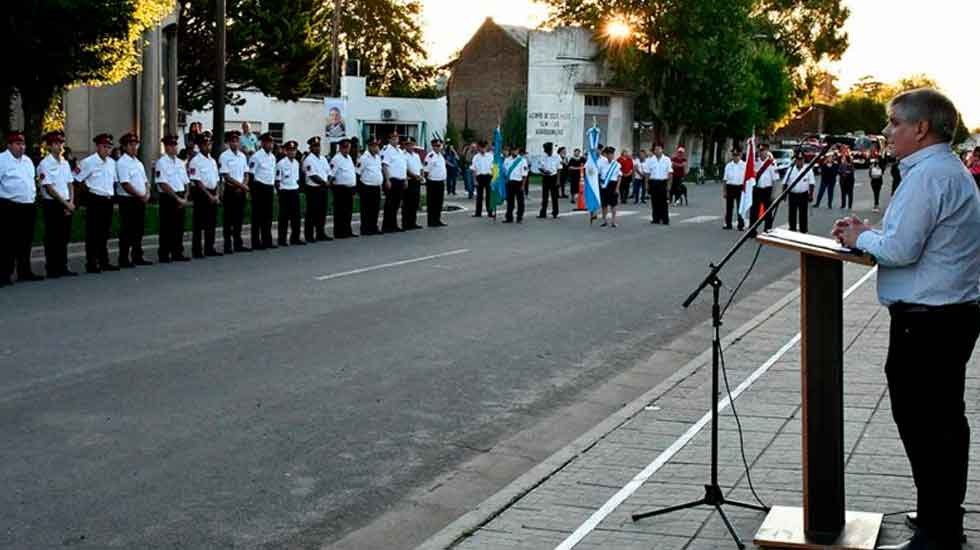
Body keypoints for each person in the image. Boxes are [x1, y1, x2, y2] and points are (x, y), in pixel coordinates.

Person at [833, 88, 980, 550]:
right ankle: (939, 516)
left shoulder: (929, 175)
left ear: (921, 128)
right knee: (938, 422)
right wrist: (869, 234)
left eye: (895, 123)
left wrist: (862, 238)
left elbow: (900, 250)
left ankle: (939, 532)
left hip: (932, 321)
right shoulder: (937, 171)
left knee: (929, 424)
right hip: (942, 317)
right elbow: (910, 238)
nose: (887, 132)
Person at [0, 131, 41, 285]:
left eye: (23, 144)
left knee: (25, 241)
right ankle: (4, 273)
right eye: (17, 144)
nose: (21, 147)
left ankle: (25, 271)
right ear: (9, 145)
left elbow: (30, 181)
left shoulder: (27, 161)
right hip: (9, 206)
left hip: (28, 206)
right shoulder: (2, 160)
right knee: (7, 242)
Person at [75, 133, 119, 273]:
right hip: (95, 199)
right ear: (98, 146)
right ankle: (92, 262)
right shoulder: (88, 162)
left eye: (109, 147)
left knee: (105, 232)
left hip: (108, 199)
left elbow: (113, 182)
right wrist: (86, 193)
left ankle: (104, 261)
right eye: (105, 146)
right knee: (93, 232)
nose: (107, 150)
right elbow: (77, 179)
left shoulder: (112, 163)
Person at [38, 131, 77, 278]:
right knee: (52, 237)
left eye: (61, 143)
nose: (59, 146)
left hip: (66, 203)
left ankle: (62, 266)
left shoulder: (65, 162)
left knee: (63, 237)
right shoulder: (45, 164)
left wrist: (71, 202)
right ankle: (52, 267)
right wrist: (65, 204)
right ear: (49, 146)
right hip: (53, 203)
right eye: (55, 143)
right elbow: (49, 188)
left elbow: (70, 184)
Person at [115, 133, 152, 267]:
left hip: (139, 200)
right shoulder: (122, 163)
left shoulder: (138, 163)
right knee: (127, 230)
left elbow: (146, 181)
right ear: (124, 147)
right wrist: (140, 195)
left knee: (138, 229)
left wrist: (147, 193)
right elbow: (125, 184)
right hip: (128, 200)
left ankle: (137, 256)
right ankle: (124, 258)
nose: (134, 147)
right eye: (130, 145)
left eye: (135, 144)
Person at [155, 135, 191, 263]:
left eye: (175, 144)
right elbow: (162, 183)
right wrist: (177, 198)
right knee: (167, 227)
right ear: (166, 147)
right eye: (172, 145)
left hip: (180, 196)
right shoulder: (161, 162)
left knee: (178, 226)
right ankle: (164, 253)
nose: (175, 147)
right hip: (169, 197)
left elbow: (186, 182)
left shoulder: (181, 162)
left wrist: (185, 197)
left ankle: (177, 252)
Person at [188, 133, 221, 257]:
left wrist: (216, 194)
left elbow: (216, 179)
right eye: (206, 145)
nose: (208, 147)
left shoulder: (212, 161)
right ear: (200, 146)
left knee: (211, 223)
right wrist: (209, 195)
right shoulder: (195, 161)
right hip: (202, 194)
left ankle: (209, 247)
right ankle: (197, 250)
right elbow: (197, 181)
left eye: (209, 144)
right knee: (199, 224)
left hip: (212, 192)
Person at [219, 130, 251, 253]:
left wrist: (244, 185)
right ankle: (227, 245)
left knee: (239, 218)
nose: (235, 143)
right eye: (233, 141)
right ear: (228, 142)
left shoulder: (242, 156)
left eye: (237, 141)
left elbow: (246, 173)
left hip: (240, 190)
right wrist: (241, 186)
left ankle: (238, 244)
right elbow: (226, 176)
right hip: (230, 190)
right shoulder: (224, 156)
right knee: (228, 219)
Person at [248, 133, 277, 249]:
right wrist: (251, 192)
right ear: (263, 143)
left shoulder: (272, 157)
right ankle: (256, 242)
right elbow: (251, 174)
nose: (271, 145)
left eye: (272, 143)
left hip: (269, 187)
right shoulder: (256, 156)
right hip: (259, 188)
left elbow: (272, 173)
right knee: (257, 217)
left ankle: (267, 240)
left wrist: (273, 187)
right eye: (269, 143)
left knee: (268, 216)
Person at [303, 136, 332, 242]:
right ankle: (309, 235)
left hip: (323, 189)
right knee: (311, 213)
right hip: (313, 189)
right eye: (315, 146)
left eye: (318, 146)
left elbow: (328, 172)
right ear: (310, 147)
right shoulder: (308, 160)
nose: (317, 148)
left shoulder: (323, 159)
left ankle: (320, 233)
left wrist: (328, 180)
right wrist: (325, 183)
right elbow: (312, 175)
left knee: (322, 212)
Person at [275, 140, 304, 246]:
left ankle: (295, 238)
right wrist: (280, 193)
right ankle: (282, 239)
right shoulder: (281, 163)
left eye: (294, 150)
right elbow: (277, 181)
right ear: (286, 151)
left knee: (296, 217)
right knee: (284, 217)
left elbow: (296, 179)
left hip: (294, 191)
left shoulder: (296, 163)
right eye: (290, 150)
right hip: (284, 192)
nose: (292, 152)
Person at [330, 138, 358, 238]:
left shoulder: (348, 157)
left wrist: (353, 187)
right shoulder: (336, 159)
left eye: (348, 147)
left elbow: (351, 173)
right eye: (345, 147)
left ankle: (347, 230)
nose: (347, 149)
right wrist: (332, 188)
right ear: (340, 148)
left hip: (349, 188)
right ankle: (339, 232)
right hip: (340, 189)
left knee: (348, 211)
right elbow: (331, 175)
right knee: (340, 212)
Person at [381, 133, 407, 233]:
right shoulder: (388, 151)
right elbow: (385, 166)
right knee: (390, 204)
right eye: (393, 138)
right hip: (392, 180)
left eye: (397, 138)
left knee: (396, 204)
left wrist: (405, 179)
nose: (395, 140)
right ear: (389, 140)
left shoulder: (400, 151)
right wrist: (387, 180)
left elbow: (403, 166)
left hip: (400, 180)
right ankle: (387, 226)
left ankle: (394, 224)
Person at [357, 139, 383, 235]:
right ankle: (365, 228)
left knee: (375, 209)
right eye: (375, 146)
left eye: (377, 145)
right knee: (366, 209)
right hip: (366, 187)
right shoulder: (364, 158)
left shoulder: (377, 157)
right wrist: (359, 189)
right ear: (370, 146)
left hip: (376, 187)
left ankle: (373, 227)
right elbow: (358, 173)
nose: (377, 148)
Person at [749, 144, 777, 234]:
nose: (761, 153)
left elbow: (775, 180)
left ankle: (767, 230)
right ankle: (752, 230)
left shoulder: (772, 163)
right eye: (760, 151)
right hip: (757, 189)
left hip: (767, 190)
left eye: (763, 150)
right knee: (754, 211)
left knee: (768, 211)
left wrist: (773, 193)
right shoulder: (755, 162)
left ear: (767, 151)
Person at [783, 153, 814, 233]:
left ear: (804, 160)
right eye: (798, 160)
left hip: (803, 194)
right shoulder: (790, 170)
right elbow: (785, 182)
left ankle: (803, 230)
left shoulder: (808, 169)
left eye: (801, 160)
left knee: (803, 213)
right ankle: (792, 228)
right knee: (792, 213)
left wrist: (811, 195)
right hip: (793, 194)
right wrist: (784, 194)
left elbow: (812, 183)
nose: (800, 162)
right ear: (795, 160)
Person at [644, 144, 673, 225]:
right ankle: (656, 218)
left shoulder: (667, 159)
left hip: (663, 182)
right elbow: (647, 173)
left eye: (659, 149)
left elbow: (670, 173)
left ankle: (665, 219)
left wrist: (669, 185)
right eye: (656, 149)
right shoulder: (650, 160)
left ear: (662, 150)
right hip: (653, 182)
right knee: (654, 201)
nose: (657, 151)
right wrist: (646, 184)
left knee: (663, 202)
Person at [423, 138, 448, 227]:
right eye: (436, 146)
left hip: (440, 182)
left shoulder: (440, 156)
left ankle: (437, 219)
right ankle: (431, 221)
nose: (438, 147)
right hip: (432, 182)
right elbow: (426, 171)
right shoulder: (430, 156)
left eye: (439, 146)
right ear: (433, 146)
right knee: (432, 202)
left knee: (439, 202)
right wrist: (427, 181)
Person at [722, 147, 746, 231]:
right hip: (730, 187)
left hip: (740, 187)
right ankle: (728, 223)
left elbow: (747, 179)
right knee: (729, 207)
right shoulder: (728, 165)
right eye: (734, 155)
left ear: (740, 155)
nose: (735, 157)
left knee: (740, 207)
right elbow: (725, 179)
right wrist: (724, 191)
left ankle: (741, 224)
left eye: (737, 155)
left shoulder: (744, 165)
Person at [597, 146, 622, 227]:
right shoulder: (601, 162)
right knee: (604, 204)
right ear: (606, 155)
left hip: (613, 184)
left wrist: (617, 188)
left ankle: (613, 221)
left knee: (613, 204)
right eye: (608, 154)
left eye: (612, 154)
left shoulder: (617, 164)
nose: (610, 156)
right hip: (603, 185)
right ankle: (605, 221)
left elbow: (619, 176)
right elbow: (598, 173)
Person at [403, 137, 424, 230]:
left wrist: (421, 176)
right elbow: (405, 169)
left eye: (411, 144)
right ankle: (406, 223)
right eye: (407, 144)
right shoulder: (403, 155)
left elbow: (420, 167)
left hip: (417, 180)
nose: (410, 146)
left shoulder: (416, 155)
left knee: (415, 202)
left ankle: (413, 222)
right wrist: (415, 176)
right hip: (409, 180)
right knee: (407, 202)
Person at [502, 146, 527, 223]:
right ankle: (509, 217)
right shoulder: (507, 160)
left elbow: (525, 174)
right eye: (513, 150)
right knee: (510, 201)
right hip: (509, 183)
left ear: (518, 150)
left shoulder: (522, 160)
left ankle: (519, 217)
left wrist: (523, 185)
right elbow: (504, 171)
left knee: (520, 201)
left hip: (518, 182)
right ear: (511, 151)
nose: (514, 152)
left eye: (516, 150)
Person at [471, 140, 495, 218]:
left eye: (484, 147)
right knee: (479, 196)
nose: (483, 149)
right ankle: (478, 212)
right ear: (479, 148)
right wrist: (474, 180)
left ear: (486, 147)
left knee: (489, 196)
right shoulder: (476, 157)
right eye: (481, 148)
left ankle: (490, 212)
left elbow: (493, 168)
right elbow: (474, 169)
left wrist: (494, 179)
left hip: (488, 177)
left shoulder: (490, 156)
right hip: (479, 177)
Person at [538, 142, 561, 219]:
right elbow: (540, 167)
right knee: (544, 196)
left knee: (554, 196)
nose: (547, 152)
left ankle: (555, 212)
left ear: (551, 149)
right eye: (546, 151)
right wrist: (544, 171)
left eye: (548, 151)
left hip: (554, 177)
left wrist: (558, 181)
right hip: (545, 177)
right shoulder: (543, 156)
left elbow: (559, 169)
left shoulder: (557, 156)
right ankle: (543, 212)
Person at [868, 144, 885, 212]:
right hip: (873, 178)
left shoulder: (880, 157)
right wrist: (871, 167)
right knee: (875, 191)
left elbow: (883, 166)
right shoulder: (870, 157)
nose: (873, 149)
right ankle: (876, 204)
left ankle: (876, 204)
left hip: (879, 178)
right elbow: (868, 165)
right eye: (872, 148)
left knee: (877, 192)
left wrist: (879, 166)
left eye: (874, 148)